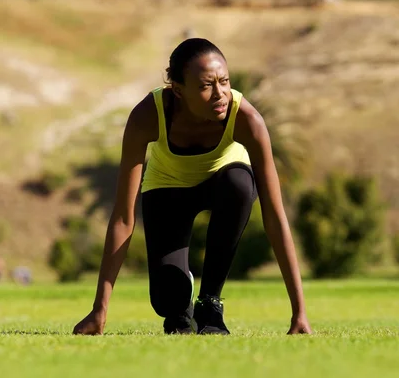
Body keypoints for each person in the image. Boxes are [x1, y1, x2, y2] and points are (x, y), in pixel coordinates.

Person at [73, 38, 312, 336]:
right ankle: (180, 302)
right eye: (205, 86)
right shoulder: (147, 116)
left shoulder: (247, 119)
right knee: (167, 302)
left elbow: (275, 216)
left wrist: (299, 312)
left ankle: (210, 304)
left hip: (224, 183)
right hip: (167, 190)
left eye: (224, 81)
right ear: (179, 90)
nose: (220, 94)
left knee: (238, 184)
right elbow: (123, 217)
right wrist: (100, 310)